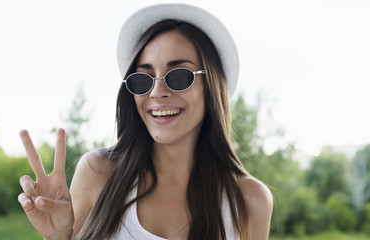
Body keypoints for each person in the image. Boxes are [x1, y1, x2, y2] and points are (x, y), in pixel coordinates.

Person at [18, 3, 273, 240]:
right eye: (143, 79)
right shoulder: (98, 173)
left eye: (179, 76)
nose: (156, 92)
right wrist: (58, 237)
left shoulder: (250, 200)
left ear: (212, 86)